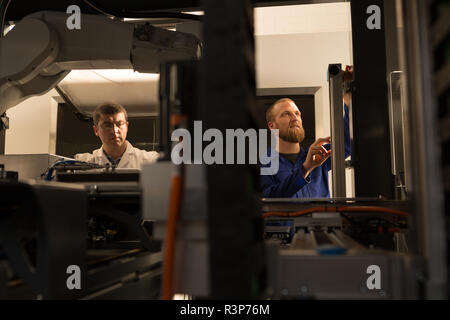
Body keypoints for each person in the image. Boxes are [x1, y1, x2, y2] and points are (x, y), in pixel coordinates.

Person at [261, 97, 351, 198]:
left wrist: (348, 103)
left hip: (325, 214)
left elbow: (347, 142)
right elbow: (270, 199)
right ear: (272, 126)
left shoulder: (318, 155)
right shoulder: (264, 165)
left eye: (297, 113)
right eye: (286, 114)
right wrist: (306, 168)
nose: (295, 118)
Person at [74, 102, 159, 168]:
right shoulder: (81, 163)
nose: (115, 130)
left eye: (119, 124)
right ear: (96, 130)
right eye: (107, 125)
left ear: (127, 126)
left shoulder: (150, 160)